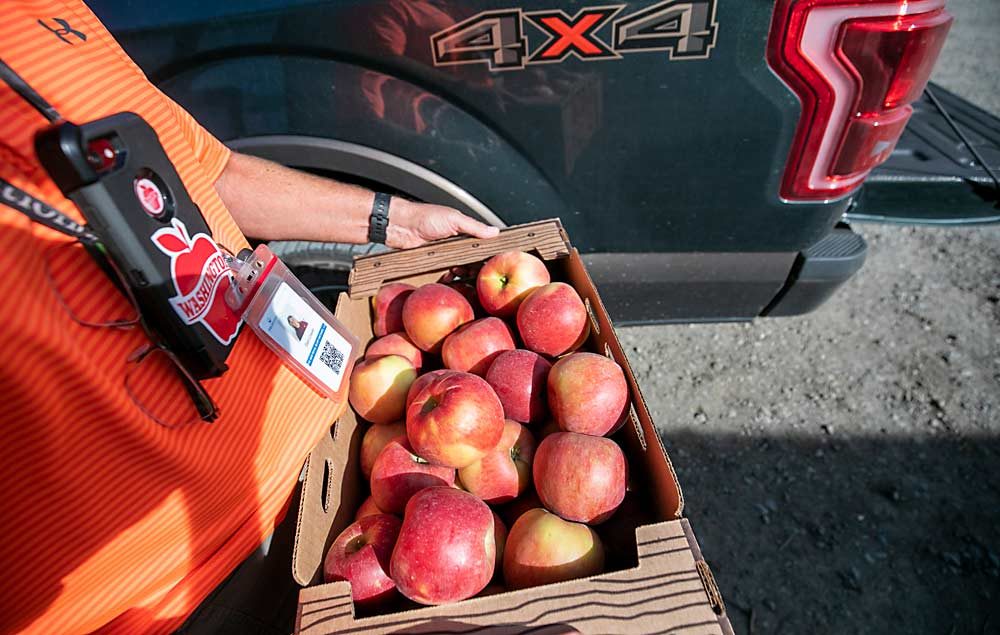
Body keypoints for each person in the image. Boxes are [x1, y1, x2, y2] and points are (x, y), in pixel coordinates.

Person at [0, 2, 497, 634]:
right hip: (181, 597)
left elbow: (208, 168)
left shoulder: (35, 13)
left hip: (332, 461)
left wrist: (396, 219)